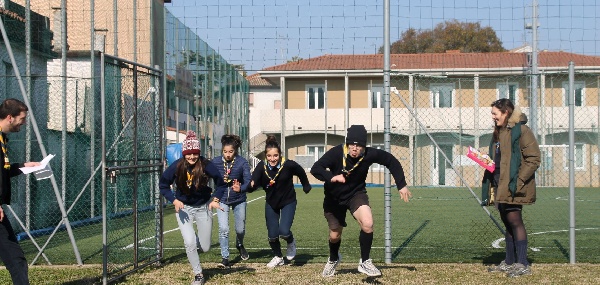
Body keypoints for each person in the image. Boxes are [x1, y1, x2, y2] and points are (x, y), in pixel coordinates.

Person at [310, 124, 412, 277]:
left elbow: (391, 161)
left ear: (364, 146)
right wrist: (331, 177)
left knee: (368, 223)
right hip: (334, 198)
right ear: (347, 143)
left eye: (359, 145)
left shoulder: (369, 154)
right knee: (334, 235)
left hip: (356, 194)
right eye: (352, 144)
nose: (355, 148)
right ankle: (333, 259)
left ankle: (365, 262)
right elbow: (315, 168)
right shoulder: (337, 152)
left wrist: (401, 184)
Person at [159, 130, 226, 285]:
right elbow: (163, 185)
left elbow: (221, 183)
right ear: (184, 153)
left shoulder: (206, 165)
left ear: (198, 152)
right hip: (183, 209)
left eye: (195, 153)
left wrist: (215, 199)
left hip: (203, 207)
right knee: (189, 242)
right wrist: (173, 200)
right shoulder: (177, 166)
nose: (192, 157)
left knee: (206, 247)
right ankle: (198, 274)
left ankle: (196, 239)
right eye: (188, 154)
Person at [483, 98, 540, 277]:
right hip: (500, 184)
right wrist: (486, 162)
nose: (493, 117)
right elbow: (500, 158)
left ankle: (522, 263)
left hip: (514, 185)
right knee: (507, 223)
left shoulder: (521, 130)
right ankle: (509, 262)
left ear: (505, 112)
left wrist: (519, 180)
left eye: (495, 113)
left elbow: (534, 158)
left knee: (515, 221)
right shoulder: (500, 132)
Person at [249, 135, 311, 268]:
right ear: (265, 156)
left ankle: (291, 242)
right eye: (269, 156)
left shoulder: (288, 165)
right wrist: (248, 187)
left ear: (280, 155)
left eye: (275, 155)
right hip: (271, 203)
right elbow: (253, 183)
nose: (272, 159)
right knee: (272, 235)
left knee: (283, 231)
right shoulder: (261, 167)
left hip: (288, 200)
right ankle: (278, 257)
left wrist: (306, 185)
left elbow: (300, 171)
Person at [0, 98, 41, 285]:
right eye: (22, 119)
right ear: (10, 117)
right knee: (15, 258)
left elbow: (3, 171)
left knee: (16, 259)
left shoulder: (2, 139)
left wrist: (25, 166)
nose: (23, 123)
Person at [211, 134, 252, 268]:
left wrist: (241, 188)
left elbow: (248, 181)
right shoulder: (216, 162)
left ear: (235, 151)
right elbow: (205, 174)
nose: (228, 154)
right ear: (222, 151)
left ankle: (239, 244)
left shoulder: (242, 162)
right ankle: (225, 258)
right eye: (225, 152)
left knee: (240, 230)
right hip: (221, 199)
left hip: (239, 199)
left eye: (231, 152)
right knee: (224, 228)